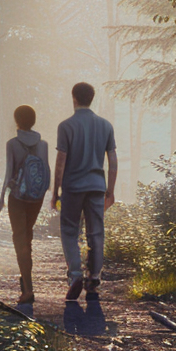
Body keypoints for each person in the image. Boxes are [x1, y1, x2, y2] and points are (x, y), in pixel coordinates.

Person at [53, 82, 117, 301]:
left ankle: (75, 274)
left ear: (74, 99)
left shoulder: (66, 126)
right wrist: (111, 190)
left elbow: (61, 161)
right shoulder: (105, 125)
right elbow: (113, 160)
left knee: (70, 231)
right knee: (96, 233)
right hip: (97, 187)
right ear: (92, 98)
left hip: (72, 187)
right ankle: (94, 279)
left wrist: (55, 191)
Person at [0, 104, 50, 305]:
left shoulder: (12, 143)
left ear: (17, 120)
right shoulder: (43, 144)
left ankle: (28, 288)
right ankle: (26, 279)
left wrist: (2, 198)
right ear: (34, 121)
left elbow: (9, 172)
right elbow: (46, 172)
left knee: (19, 238)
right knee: (27, 235)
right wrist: (45, 194)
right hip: (36, 197)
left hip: (18, 197)